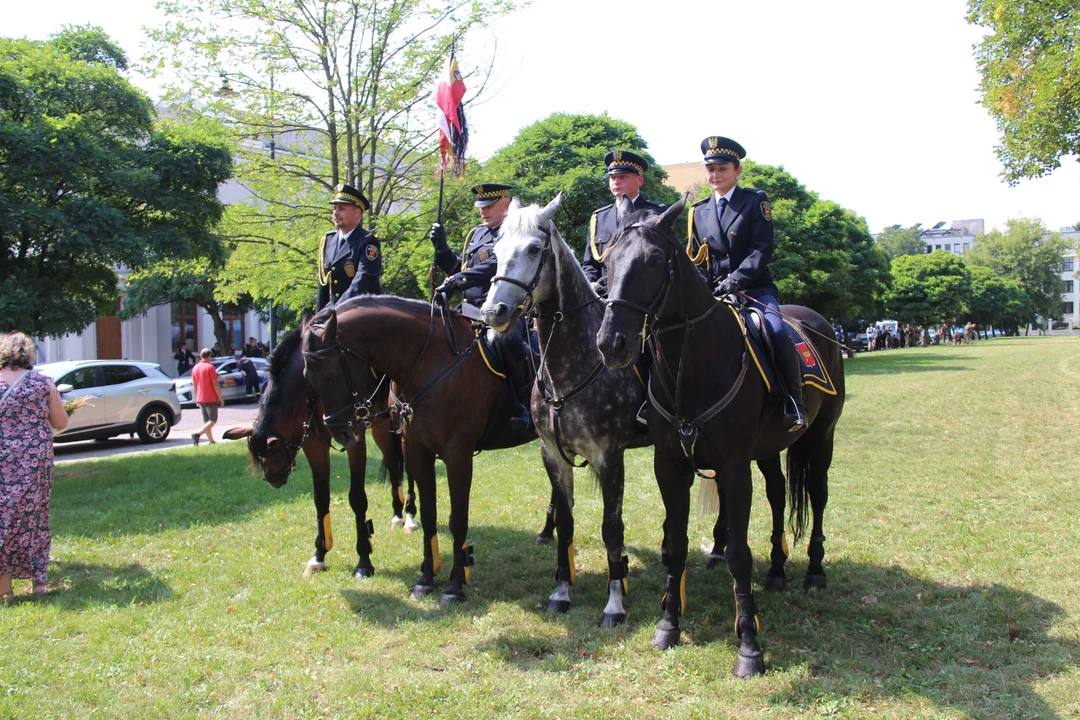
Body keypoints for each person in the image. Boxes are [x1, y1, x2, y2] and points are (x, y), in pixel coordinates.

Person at [686, 136, 806, 431]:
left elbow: (761, 250)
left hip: (753, 289)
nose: (715, 176)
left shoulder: (755, 201)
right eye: (710, 170)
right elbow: (694, 257)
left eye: (722, 170)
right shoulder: (697, 211)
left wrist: (735, 280)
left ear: (737, 171)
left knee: (776, 331)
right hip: (714, 294)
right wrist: (704, 286)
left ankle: (793, 401)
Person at [428, 183, 534, 431]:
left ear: (505, 206)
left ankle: (526, 403)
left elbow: (493, 267)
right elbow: (462, 271)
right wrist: (442, 249)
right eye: (481, 207)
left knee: (505, 341)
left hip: (502, 312)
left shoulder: (513, 234)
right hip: (470, 310)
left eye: (489, 206)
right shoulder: (477, 234)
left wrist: (456, 280)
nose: (482, 212)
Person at [0, 332, 68, 601]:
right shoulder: (42, 384)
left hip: (2, 458)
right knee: (35, 517)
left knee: (4, 518)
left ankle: (5, 589)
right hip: (34, 459)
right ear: (28, 353)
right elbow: (60, 422)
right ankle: (38, 583)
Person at [582, 150, 667, 294]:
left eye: (622, 177)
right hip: (605, 298)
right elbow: (590, 264)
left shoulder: (656, 213)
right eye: (613, 177)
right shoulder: (599, 218)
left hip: (643, 299)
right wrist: (593, 289)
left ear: (639, 180)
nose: (616, 181)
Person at [316, 183, 383, 312]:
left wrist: (335, 310)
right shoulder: (328, 241)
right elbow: (323, 287)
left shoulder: (368, 242)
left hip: (362, 312)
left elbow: (362, 283)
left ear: (357, 212)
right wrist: (317, 318)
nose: (335, 213)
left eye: (341, 208)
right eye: (334, 208)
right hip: (333, 313)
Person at [190, 348, 224, 446]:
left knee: (206, 420)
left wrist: (197, 397)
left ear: (201, 356)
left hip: (200, 397)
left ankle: (211, 440)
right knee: (213, 420)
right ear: (209, 356)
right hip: (210, 397)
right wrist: (220, 397)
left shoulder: (195, 368)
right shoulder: (210, 367)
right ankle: (197, 434)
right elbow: (215, 384)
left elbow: (195, 384)